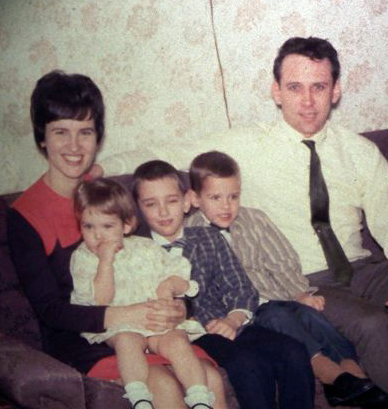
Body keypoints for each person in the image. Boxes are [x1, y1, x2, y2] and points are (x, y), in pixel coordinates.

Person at [98, 37, 388, 409]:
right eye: (295, 87)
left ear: (335, 90)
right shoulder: (245, 145)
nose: (308, 102)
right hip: (306, 280)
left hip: (365, 267)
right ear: (277, 92)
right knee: (374, 325)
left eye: (319, 87)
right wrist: (96, 170)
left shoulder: (360, 151)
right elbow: (168, 153)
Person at [8, 70, 227, 409]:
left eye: (85, 132)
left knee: (210, 379)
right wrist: (128, 315)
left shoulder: (112, 197)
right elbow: (51, 311)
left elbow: (154, 265)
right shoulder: (26, 215)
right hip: (86, 338)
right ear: (42, 138)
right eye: (61, 132)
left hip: (151, 329)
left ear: (98, 137)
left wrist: (178, 307)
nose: (74, 146)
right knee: (163, 386)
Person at [186, 150, 388, 408]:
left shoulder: (254, 219)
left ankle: (354, 374)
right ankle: (330, 374)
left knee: (311, 316)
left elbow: (281, 260)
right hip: (243, 311)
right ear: (195, 198)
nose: (226, 206)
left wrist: (298, 293)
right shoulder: (191, 234)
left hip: (275, 296)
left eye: (233, 197)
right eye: (215, 198)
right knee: (278, 316)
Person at [131, 160, 315, 409]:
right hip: (190, 336)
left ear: (186, 202)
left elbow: (240, 286)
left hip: (229, 323)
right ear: (139, 209)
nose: (163, 212)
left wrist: (233, 319)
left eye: (171, 201)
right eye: (151, 204)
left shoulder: (209, 237)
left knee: (293, 351)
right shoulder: (136, 252)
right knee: (247, 363)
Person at [70, 178, 215, 409]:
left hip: (158, 322)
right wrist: (105, 261)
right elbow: (100, 301)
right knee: (127, 342)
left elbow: (179, 273)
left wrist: (170, 286)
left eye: (107, 226)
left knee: (177, 342)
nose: (97, 235)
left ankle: (200, 397)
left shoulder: (146, 247)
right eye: (88, 226)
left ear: (126, 226)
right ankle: (139, 396)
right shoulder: (83, 258)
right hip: (120, 325)